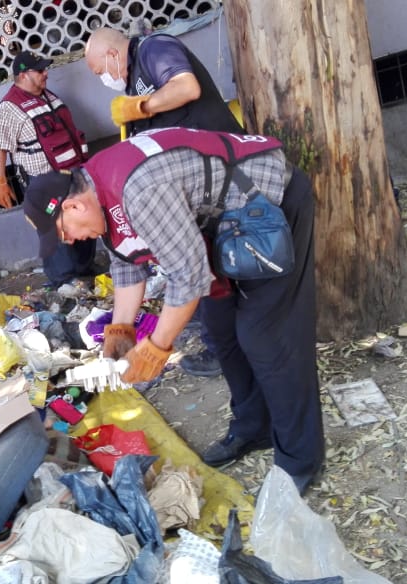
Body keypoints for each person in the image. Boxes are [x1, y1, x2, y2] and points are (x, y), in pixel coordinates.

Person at [21, 126, 324, 494]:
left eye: (64, 233)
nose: (70, 242)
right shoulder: (98, 188)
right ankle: (254, 427)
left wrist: (158, 346)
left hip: (267, 203)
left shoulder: (138, 190)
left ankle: (299, 460)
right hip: (226, 225)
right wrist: (121, 330)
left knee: (265, 336)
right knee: (221, 328)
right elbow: (127, 260)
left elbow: (190, 276)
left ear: (73, 206)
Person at [84, 26, 246, 376]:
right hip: (192, 196)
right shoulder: (131, 83)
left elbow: (187, 87)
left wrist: (140, 106)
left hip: (225, 178)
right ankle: (221, 346)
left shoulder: (154, 49)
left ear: (113, 55)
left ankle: (228, 350)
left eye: (99, 71)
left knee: (212, 272)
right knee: (203, 272)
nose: (103, 80)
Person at [0, 50, 97, 290]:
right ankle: (63, 281)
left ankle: (84, 272)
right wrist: (0, 182)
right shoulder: (9, 108)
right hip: (45, 183)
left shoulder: (47, 95)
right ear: (23, 75)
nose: (46, 73)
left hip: (74, 175)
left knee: (81, 219)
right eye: (40, 70)